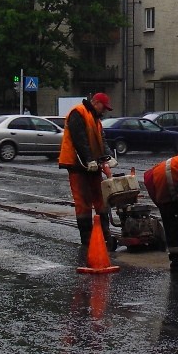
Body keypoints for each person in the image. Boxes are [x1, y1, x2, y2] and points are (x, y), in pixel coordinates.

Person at [58, 92, 117, 265]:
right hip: (77, 165)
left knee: (100, 199)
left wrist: (107, 157)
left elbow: (102, 140)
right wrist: (88, 159)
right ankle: (87, 240)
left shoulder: (95, 119)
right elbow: (79, 140)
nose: (104, 111)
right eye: (103, 107)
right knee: (83, 203)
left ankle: (104, 235)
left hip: (92, 165)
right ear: (96, 103)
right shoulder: (78, 112)